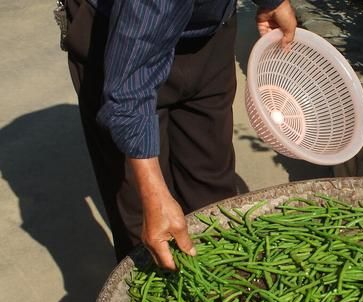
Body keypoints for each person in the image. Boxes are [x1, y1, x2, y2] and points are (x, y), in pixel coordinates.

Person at [63, 0, 297, 270]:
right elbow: (127, 90)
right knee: (147, 220)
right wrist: (153, 192)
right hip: (118, 39)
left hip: (203, 30)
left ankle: (222, 289)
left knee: (213, 196)